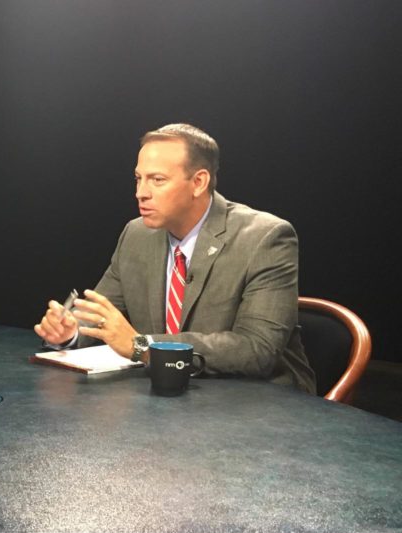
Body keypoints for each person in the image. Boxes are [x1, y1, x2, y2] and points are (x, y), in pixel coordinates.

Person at [34, 123, 315, 393]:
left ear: (198, 182)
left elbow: (257, 349)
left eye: (157, 180)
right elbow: (101, 320)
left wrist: (143, 346)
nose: (140, 193)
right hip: (169, 399)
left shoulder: (265, 237)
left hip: (259, 404)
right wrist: (70, 333)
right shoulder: (136, 235)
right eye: (138, 178)